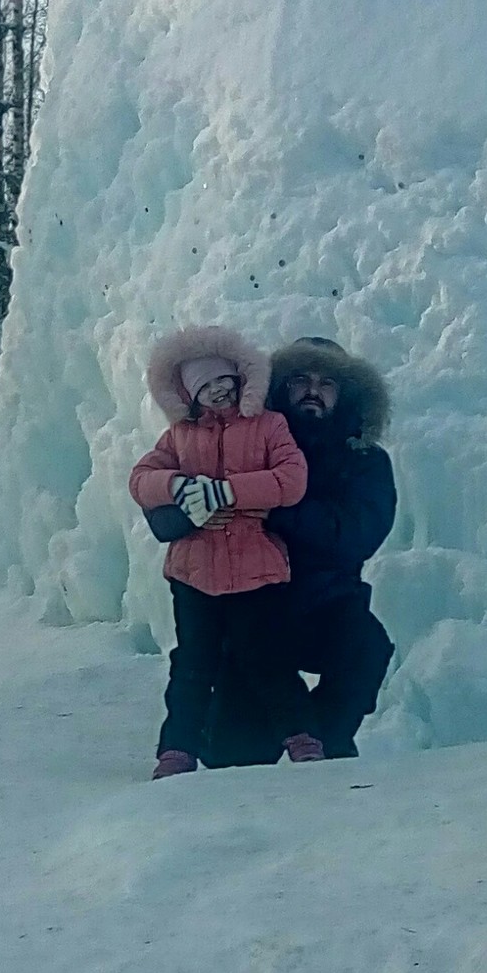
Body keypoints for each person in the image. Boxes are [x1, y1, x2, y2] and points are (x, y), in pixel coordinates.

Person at [127, 324, 317, 778]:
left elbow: (291, 481)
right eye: (204, 387)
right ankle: (177, 750)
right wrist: (179, 486)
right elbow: (140, 480)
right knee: (193, 664)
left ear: (239, 379)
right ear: (188, 396)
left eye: (222, 382)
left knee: (268, 658)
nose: (216, 393)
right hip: (195, 573)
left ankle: (302, 737)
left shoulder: (269, 425)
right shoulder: (178, 437)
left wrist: (228, 492)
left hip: (256, 568)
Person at [210, 335, 397, 763]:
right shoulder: (248, 447)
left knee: (367, 648)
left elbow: (357, 535)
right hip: (250, 613)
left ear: (345, 393)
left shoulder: (364, 460)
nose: (313, 390)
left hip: (328, 607)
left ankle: (327, 741)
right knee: (232, 761)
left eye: (326, 382)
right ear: (280, 387)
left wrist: (271, 506)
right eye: (300, 379)